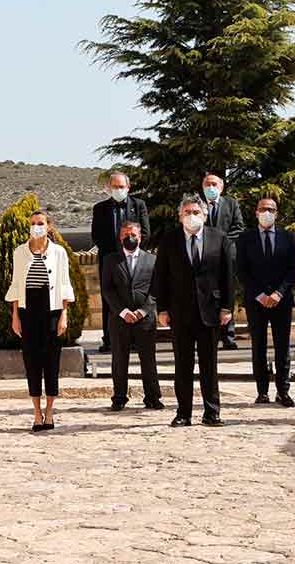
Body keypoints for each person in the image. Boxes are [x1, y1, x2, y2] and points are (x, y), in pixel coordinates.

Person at [153, 195, 234, 427]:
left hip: (210, 311)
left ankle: (212, 412)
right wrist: (163, 308)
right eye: (187, 212)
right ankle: (183, 413)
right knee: (183, 365)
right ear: (180, 216)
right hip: (180, 312)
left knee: (209, 365)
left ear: (205, 215)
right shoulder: (169, 241)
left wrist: (227, 307)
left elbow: (228, 275)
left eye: (196, 212)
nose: (192, 216)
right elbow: (162, 276)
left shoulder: (219, 238)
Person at [4, 211, 74, 431]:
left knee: (51, 361)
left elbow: (64, 285)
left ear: (49, 226)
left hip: (51, 310)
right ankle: (36, 412)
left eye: (40, 223)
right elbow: (16, 285)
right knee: (32, 362)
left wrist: (64, 314)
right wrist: (15, 316)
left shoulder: (59, 252)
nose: (36, 227)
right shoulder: (19, 252)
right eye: (33, 223)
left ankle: (50, 411)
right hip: (28, 311)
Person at [236, 198, 295, 407]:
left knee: (283, 347)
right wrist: (259, 295)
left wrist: (279, 294)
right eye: (263, 209)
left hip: (281, 301)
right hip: (256, 301)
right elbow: (241, 271)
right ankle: (262, 391)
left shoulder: (288, 238)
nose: (267, 212)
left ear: (276, 213)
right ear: (256, 213)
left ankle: (283, 391)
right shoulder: (245, 239)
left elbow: (293, 270)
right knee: (259, 346)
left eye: (271, 209)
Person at [100, 221, 162, 412]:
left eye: (133, 234)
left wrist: (143, 311)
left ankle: (152, 397)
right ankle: (119, 397)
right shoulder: (111, 260)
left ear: (140, 236)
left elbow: (156, 289)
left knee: (148, 360)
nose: (130, 237)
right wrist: (124, 312)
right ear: (120, 237)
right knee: (119, 359)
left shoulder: (151, 260)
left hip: (145, 318)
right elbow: (107, 289)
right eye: (126, 234)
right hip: (120, 319)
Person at [91, 171, 150, 354]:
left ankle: (135, 340)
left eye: (121, 187)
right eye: (115, 187)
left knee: (134, 296)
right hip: (110, 261)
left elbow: (146, 232)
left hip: (135, 259)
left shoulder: (139, 205)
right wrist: (116, 255)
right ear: (109, 188)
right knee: (110, 299)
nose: (118, 190)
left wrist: (131, 250)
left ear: (128, 187)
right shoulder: (100, 208)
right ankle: (109, 340)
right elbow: (97, 236)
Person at [201, 173, 245, 349]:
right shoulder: (198, 205)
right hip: (203, 256)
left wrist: (220, 241)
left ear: (221, 187)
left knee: (227, 293)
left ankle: (228, 335)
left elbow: (239, 227)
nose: (210, 187)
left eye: (213, 184)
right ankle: (209, 335)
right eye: (206, 184)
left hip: (227, 255)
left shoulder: (231, 204)